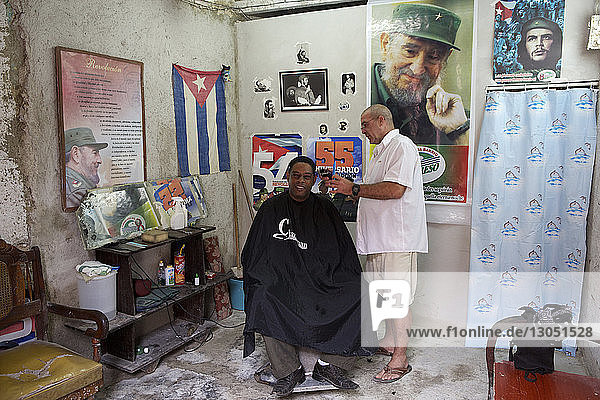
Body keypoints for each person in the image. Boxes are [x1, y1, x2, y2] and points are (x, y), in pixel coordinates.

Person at [242, 156, 368, 397]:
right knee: (263, 294)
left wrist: (324, 273)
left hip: (319, 278)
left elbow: (341, 251)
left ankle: (331, 365)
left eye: (306, 177)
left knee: (360, 290)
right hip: (282, 280)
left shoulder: (325, 207)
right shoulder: (270, 208)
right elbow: (255, 254)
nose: (300, 181)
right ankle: (288, 370)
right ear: (287, 176)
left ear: (313, 180)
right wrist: (270, 276)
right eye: (296, 175)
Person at [326, 105, 428, 383]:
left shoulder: (402, 146)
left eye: (365, 124)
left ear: (381, 121)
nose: (362, 130)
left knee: (397, 297)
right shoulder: (380, 151)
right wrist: (351, 193)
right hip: (378, 239)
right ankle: (388, 341)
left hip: (397, 238)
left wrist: (355, 189)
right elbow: (376, 192)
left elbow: (395, 189)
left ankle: (401, 358)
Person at [371, 3, 469, 145]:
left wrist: (458, 130)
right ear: (385, 45)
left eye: (434, 56)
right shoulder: (358, 96)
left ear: (445, 59)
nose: (418, 69)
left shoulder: (456, 117)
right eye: (410, 51)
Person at [64, 127, 108, 208]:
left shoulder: (73, 183)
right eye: (95, 153)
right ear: (76, 154)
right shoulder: (76, 192)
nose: (100, 160)